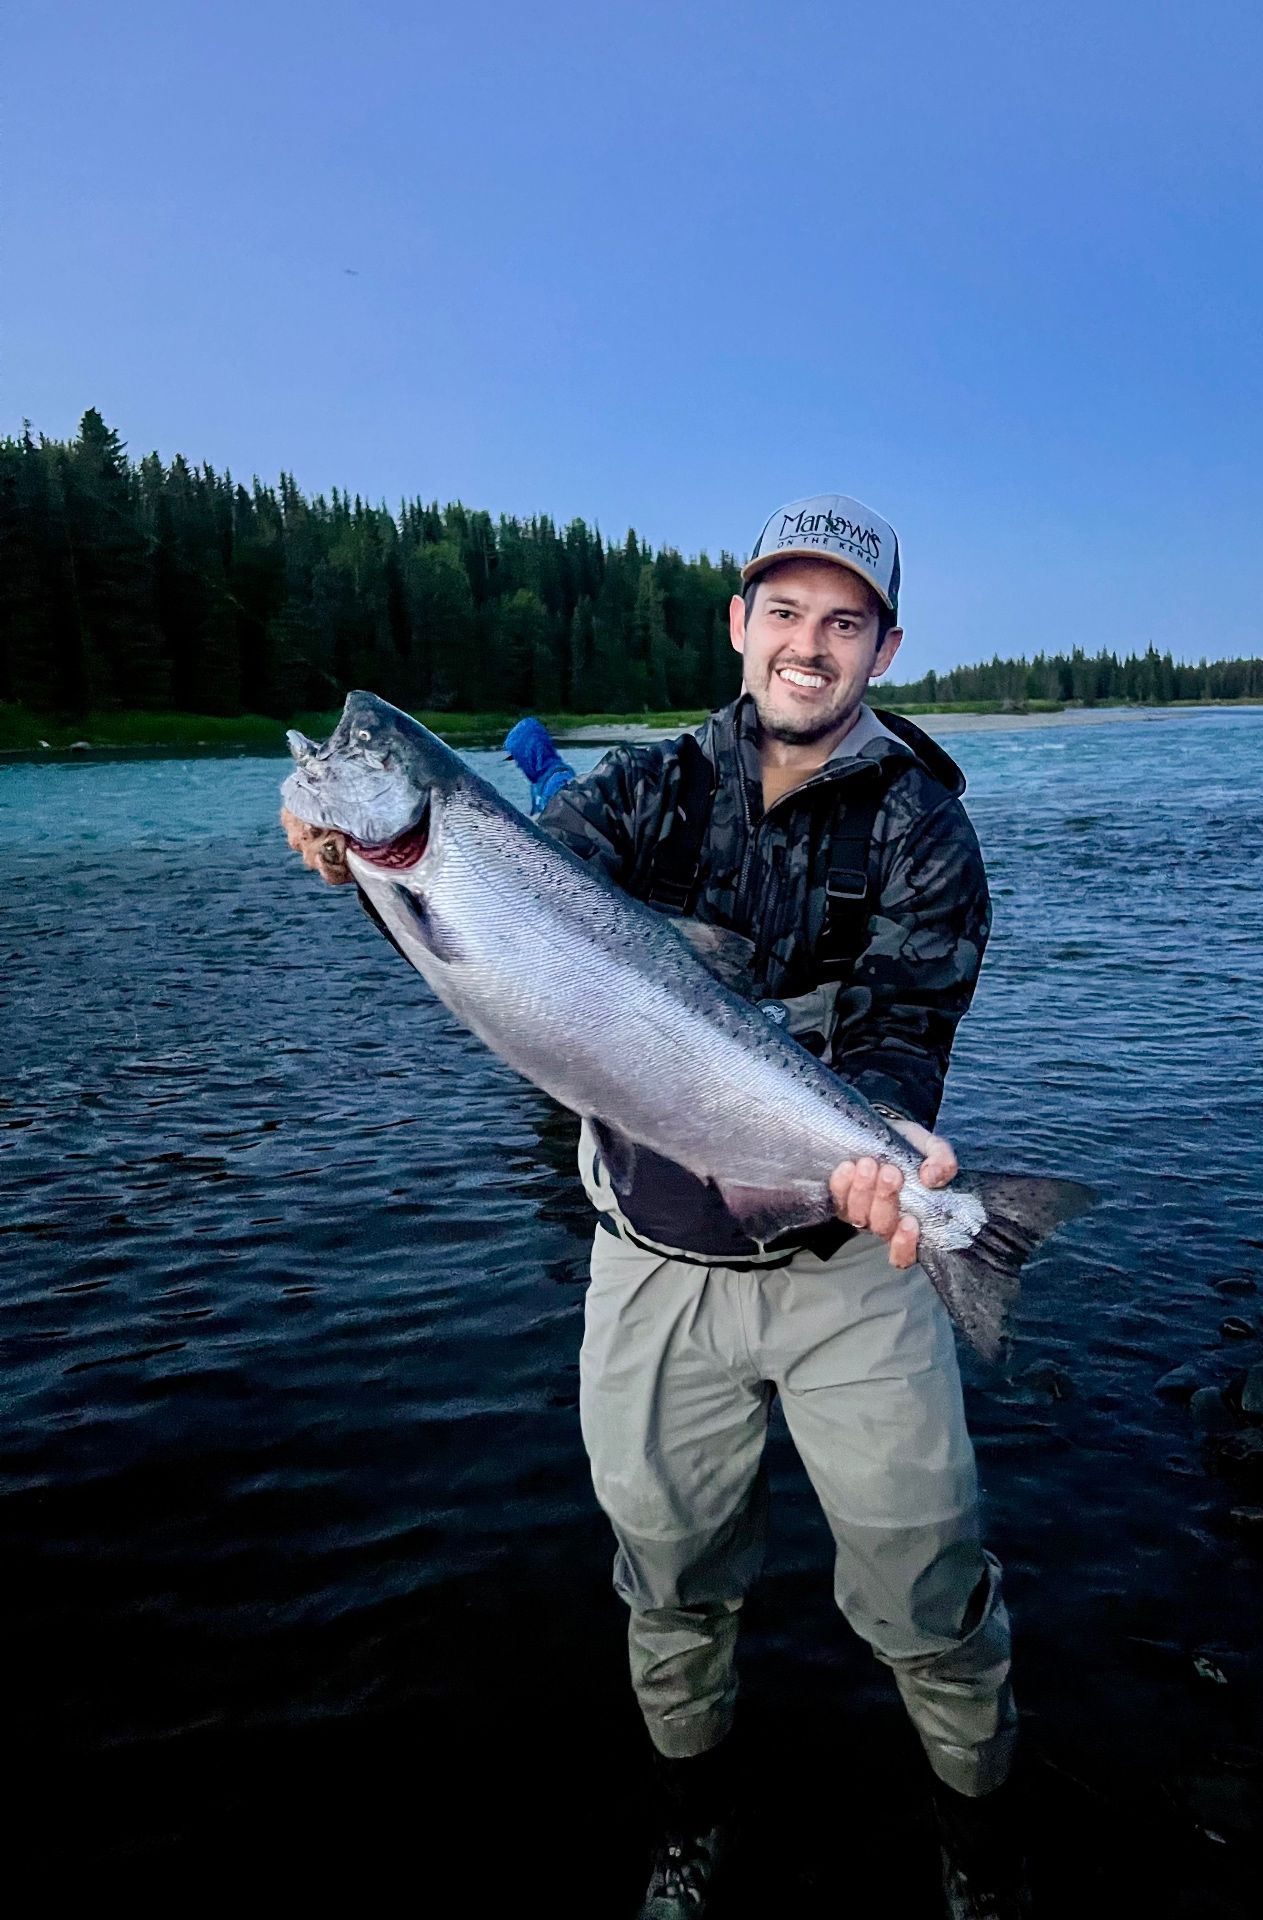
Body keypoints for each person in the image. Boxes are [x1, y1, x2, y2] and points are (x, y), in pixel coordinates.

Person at [284, 494, 1026, 1918]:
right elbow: (490, 954)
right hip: (649, 1266)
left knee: (931, 1581)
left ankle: (983, 1851)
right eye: (786, 613)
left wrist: (900, 1168)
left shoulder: (930, 834)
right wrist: (350, 865)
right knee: (670, 1578)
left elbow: (899, 1044)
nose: (810, 646)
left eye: (845, 622)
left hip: (849, 1267)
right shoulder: (632, 794)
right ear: (740, 625)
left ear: (885, 648)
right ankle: (691, 1822)